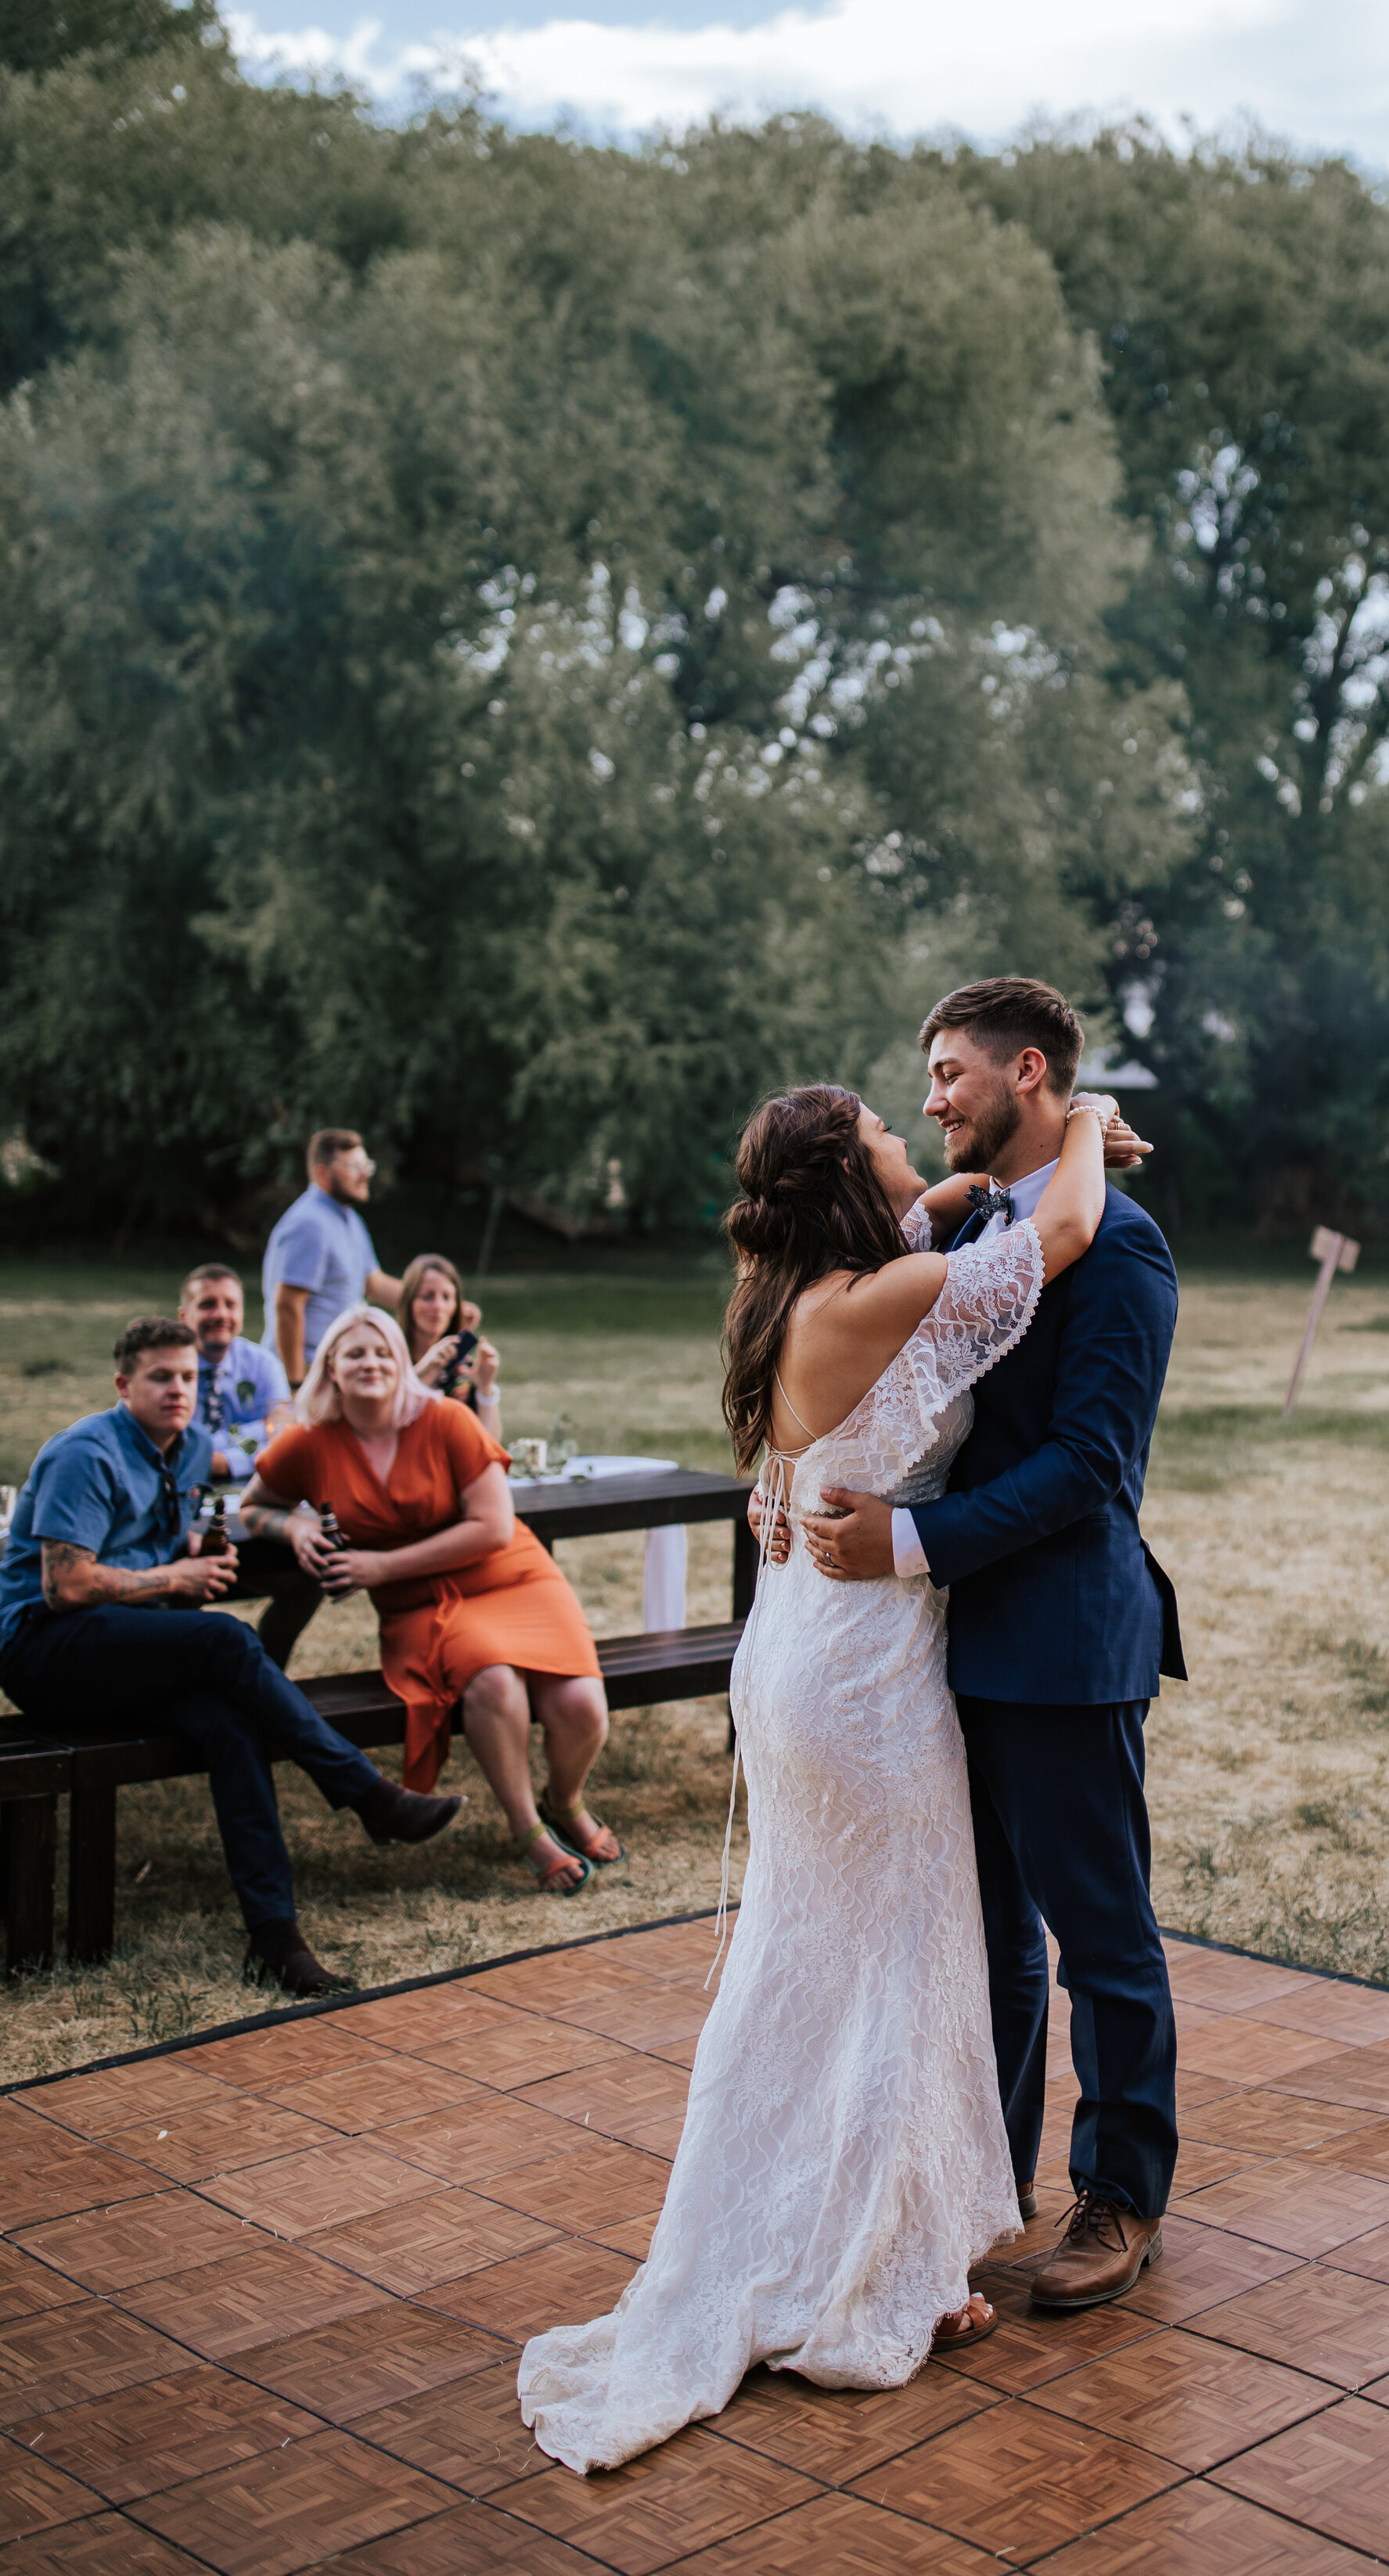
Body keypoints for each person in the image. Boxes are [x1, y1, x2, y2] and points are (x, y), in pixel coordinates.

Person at [518, 1058, 1146, 2473]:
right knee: (900, 1966)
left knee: (819, 1962)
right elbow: (1052, 1243)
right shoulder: (886, 1296)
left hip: (805, 1648)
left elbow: (947, 1219)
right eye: (880, 1127)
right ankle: (874, 2279)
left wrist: (969, 1176)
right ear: (844, 1177)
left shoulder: (798, 1290)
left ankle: (853, 2244)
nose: (902, 1132)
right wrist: (1088, 1127)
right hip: (866, 1680)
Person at [793, 977, 1183, 2314]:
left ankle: (1122, 2198)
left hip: (1066, 1641)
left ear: (1028, 1074)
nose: (931, 1097)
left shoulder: (1118, 1248)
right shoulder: (977, 1229)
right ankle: (985, 2181)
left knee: (1100, 1938)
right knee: (992, 1939)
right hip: (952, 1647)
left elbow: (1087, 1465)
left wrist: (905, 1546)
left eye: (950, 1072)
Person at [0, 1316, 460, 1996]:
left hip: (124, 1642)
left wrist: (194, 1555)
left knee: (231, 1722)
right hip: (45, 1650)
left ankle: (275, 1941)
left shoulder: (189, 1451)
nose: (178, 1390)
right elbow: (65, 1585)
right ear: (125, 1385)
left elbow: (184, 1528)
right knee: (226, 1638)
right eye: (161, 1377)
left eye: (188, 1377)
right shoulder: (84, 1454)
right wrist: (175, 1581)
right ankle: (366, 1793)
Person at [244, 1307, 614, 1892]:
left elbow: (493, 1527)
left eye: (383, 1351)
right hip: (419, 1605)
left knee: (583, 1705)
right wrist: (295, 1529)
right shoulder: (311, 1444)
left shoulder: (446, 1420)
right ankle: (527, 1829)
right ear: (331, 1369)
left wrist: (379, 1565)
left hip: (512, 1576)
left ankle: (564, 1801)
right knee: (492, 1682)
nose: (371, 1363)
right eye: (355, 1353)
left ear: (402, 1363)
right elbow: (253, 1505)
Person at [260, 1128, 481, 1392]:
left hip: (335, 1368)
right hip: (308, 1373)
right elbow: (287, 1306)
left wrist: (441, 1305)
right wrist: (295, 1385)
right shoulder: (309, 1224)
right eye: (354, 1166)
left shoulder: (350, 1220)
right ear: (323, 1173)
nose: (365, 1174)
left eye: (366, 1165)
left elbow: (375, 1285)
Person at [179, 1263, 292, 1478]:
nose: (221, 1314)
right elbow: (171, 1449)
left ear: (241, 1312)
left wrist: (226, 1462)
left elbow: (282, 1438)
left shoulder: (264, 1364)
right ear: (184, 1316)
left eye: (230, 1305)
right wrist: (260, 1429)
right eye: (207, 1304)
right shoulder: (168, 1369)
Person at [398, 1252, 503, 1442]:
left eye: (447, 1297)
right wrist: (423, 1373)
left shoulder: (462, 1367)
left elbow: (488, 1446)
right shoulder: (390, 1358)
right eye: (427, 1296)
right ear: (409, 1301)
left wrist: (485, 1388)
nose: (438, 1306)